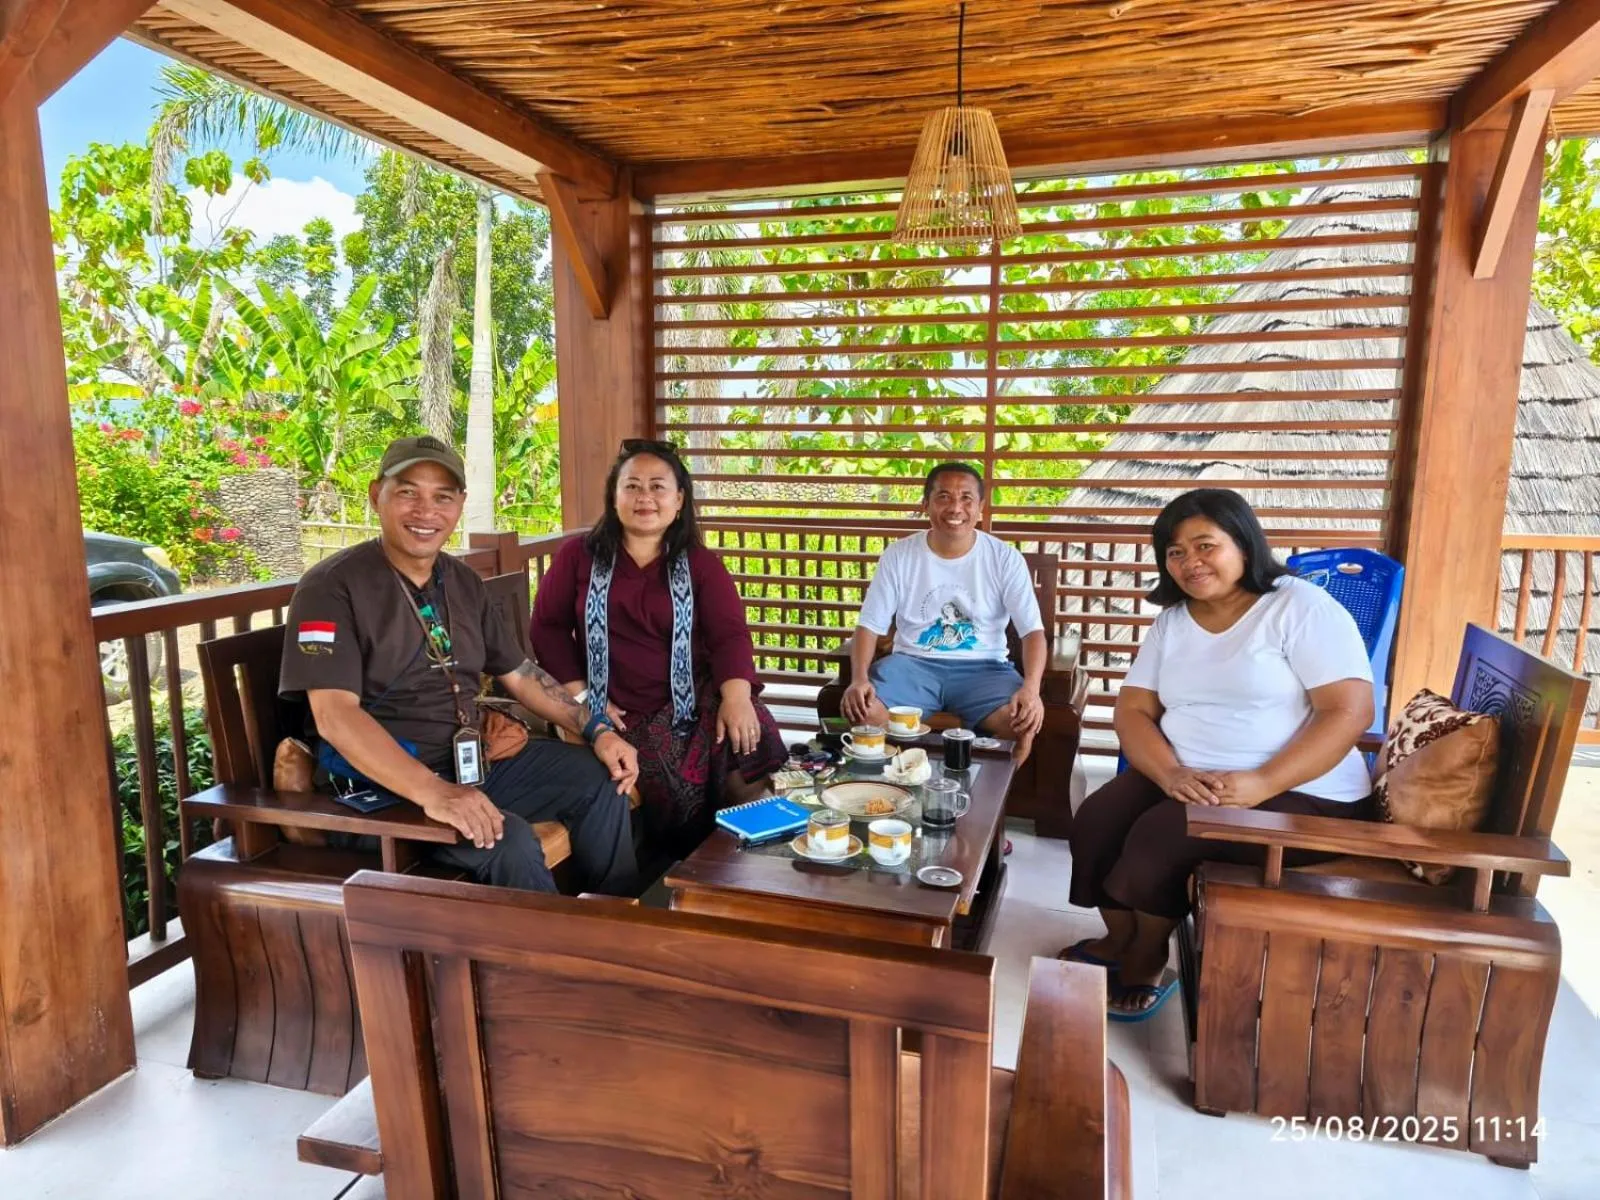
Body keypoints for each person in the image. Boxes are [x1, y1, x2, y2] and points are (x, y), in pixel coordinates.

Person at [279, 435, 640, 896]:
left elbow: (521, 675)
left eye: (442, 497)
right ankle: (542, 964)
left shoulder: (463, 582)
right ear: (376, 496)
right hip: (378, 790)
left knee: (599, 777)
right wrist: (436, 793)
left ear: (459, 505)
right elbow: (334, 715)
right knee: (504, 838)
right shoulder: (331, 587)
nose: (425, 511)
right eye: (408, 492)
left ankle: (615, 929)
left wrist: (598, 730)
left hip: (470, 767)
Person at [1066, 489, 1374, 1019]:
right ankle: (1119, 938)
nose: (1190, 562)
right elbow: (1133, 711)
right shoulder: (1174, 621)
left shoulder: (1299, 607)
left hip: (1300, 792)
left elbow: (1348, 712)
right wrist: (1168, 773)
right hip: (1187, 773)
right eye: (1175, 551)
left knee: (1160, 838)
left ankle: (1146, 953)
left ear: (1245, 546)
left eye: (1205, 545)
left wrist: (1264, 782)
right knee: (1096, 819)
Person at [530, 439, 788, 857]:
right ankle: (675, 874)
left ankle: (746, 864)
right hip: (619, 711)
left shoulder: (699, 562)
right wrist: (583, 700)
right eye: (632, 486)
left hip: (693, 701)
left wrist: (737, 696)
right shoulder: (578, 556)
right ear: (614, 497)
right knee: (670, 777)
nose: (644, 497)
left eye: (657, 486)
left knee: (748, 735)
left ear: (679, 498)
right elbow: (548, 628)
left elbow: (729, 634)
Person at [841, 463, 1046, 760]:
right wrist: (858, 678)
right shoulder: (899, 555)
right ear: (926, 504)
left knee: (1022, 720)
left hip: (984, 668)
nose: (955, 508)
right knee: (863, 711)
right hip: (912, 665)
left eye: (966, 499)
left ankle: (988, 792)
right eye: (944, 497)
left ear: (981, 508)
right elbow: (869, 625)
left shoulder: (1005, 558)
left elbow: (1032, 632)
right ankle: (914, 771)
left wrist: (1032, 689)